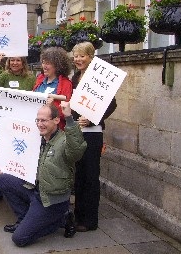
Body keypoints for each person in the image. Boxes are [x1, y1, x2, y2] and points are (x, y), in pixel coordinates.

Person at [0, 102, 87, 247]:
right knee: (4, 179)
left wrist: (69, 118)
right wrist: (5, 167)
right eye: (37, 120)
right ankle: (24, 220)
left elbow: (76, 150)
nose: (39, 124)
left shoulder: (64, 141)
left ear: (56, 120)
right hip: (36, 189)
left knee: (20, 239)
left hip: (52, 199)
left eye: (44, 120)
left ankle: (62, 218)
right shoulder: (37, 139)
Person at [71, 42, 117, 232]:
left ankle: (90, 220)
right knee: (79, 176)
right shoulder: (75, 78)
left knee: (90, 177)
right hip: (77, 134)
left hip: (93, 135)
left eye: (83, 56)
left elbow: (112, 105)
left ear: (91, 57)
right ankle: (79, 215)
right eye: (76, 56)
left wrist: (92, 119)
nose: (78, 59)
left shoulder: (97, 78)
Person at [0, 53, 37, 204]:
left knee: (20, 155)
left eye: (18, 60)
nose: (15, 63)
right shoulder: (4, 76)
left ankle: (21, 189)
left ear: (23, 62)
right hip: (6, 121)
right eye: (12, 60)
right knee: (1, 155)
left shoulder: (30, 78)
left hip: (24, 122)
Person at [33, 47, 73, 130]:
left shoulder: (66, 84)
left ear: (58, 66)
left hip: (54, 131)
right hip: (36, 127)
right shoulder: (39, 79)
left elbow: (66, 112)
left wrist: (52, 107)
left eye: (48, 63)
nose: (44, 66)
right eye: (43, 62)